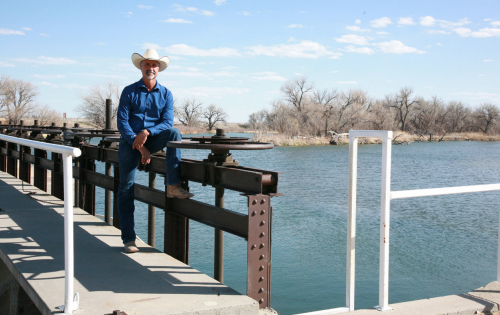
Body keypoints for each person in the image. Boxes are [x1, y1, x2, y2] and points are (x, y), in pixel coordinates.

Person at [117, 48, 194, 253]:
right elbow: (122, 122)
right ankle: (129, 239)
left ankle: (173, 185)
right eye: (147, 64)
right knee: (125, 188)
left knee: (174, 133)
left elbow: (167, 121)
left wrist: (147, 132)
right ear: (140, 67)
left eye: (154, 65)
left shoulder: (166, 93)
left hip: (149, 138)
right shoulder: (129, 91)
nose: (150, 68)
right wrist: (138, 143)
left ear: (158, 69)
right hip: (129, 142)